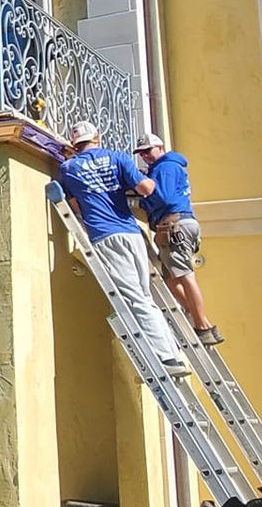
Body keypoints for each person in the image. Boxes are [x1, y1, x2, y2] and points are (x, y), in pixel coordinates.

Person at [49, 120, 190, 376]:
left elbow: (75, 206)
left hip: (104, 234)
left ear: (74, 144)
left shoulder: (68, 168)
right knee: (145, 296)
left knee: (133, 298)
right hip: (132, 232)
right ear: (97, 137)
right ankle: (174, 353)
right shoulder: (117, 158)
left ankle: (167, 359)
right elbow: (147, 188)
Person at [134, 133, 225, 348]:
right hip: (181, 225)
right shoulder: (169, 167)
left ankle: (203, 326)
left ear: (160, 147)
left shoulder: (165, 167)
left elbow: (163, 197)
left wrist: (142, 200)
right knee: (172, 280)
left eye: (149, 150)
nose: (145, 156)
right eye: (142, 153)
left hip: (175, 225)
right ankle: (199, 320)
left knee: (184, 276)